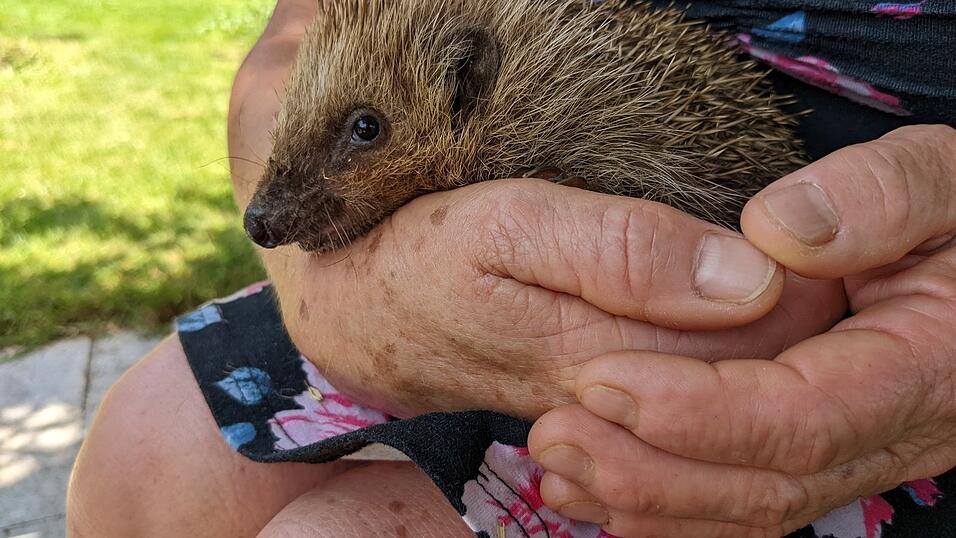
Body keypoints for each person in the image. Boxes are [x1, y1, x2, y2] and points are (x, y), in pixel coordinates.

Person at [67, 1, 956, 536]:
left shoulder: (562, 115)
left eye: (366, 134)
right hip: (434, 309)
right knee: (139, 465)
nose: (269, 214)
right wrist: (329, 298)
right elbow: (299, 36)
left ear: (465, 88)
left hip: (885, 320)